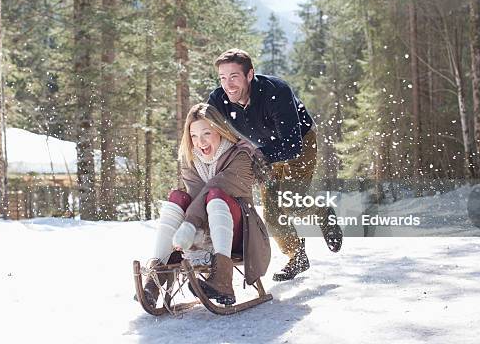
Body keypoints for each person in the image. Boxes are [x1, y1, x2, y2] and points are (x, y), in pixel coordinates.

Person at [207, 48, 343, 282]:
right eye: (222, 78)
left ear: (250, 75)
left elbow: (292, 146)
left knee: (291, 202)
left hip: (299, 142)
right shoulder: (219, 100)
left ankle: (323, 212)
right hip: (263, 150)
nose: (228, 85)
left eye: (234, 77)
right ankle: (296, 256)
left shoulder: (276, 92)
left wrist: (259, 154)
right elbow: (203, 124)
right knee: (271, 211)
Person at [140, 103, 270, 307]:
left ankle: (223, 280)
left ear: (219, 130)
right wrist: (189, 225)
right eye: (193, 136)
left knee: (216, 195)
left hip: (239, 235)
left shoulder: (242, 156)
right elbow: (195, 196)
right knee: (177, 197)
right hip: (202, 233)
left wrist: (189, 224)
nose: (200, 142)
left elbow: (213, 187)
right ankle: (157, 275)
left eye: (206, 133)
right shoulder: (190, 160)